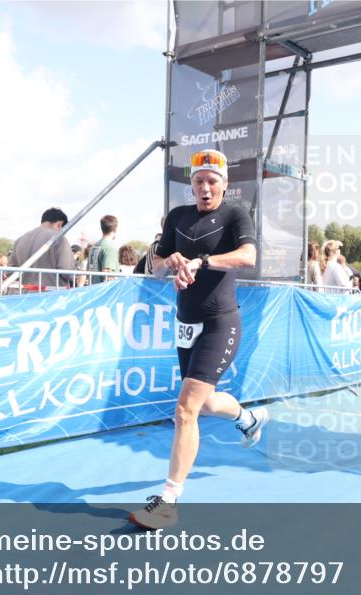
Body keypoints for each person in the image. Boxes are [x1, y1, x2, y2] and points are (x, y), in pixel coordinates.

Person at [128, 149, 267, 530]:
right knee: (202, 405)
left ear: (224, 184)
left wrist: (201, 261)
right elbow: (154, 266)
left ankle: (169, 500)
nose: (205, 188)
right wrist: (169, 261)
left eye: (212, 181)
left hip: (221, 322)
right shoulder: (177, 217)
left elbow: (248, 256)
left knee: (185, 410)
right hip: (185, 322)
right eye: (198, 181)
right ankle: (248, 418)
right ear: (191, 185)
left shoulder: (236, 215)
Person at [8, 207, 76, 290]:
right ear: (60, 224)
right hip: (52, 296)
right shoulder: (59, 239)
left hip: (24, 296)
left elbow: (10, 272)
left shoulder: (20, 240)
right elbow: (67, 272)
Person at [87, 215, 120, 284]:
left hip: (93, 289)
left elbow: (88, 271)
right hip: (104, 292)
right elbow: (108, 275)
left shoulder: (94, 246)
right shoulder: (110, 248)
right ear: (115, 229)